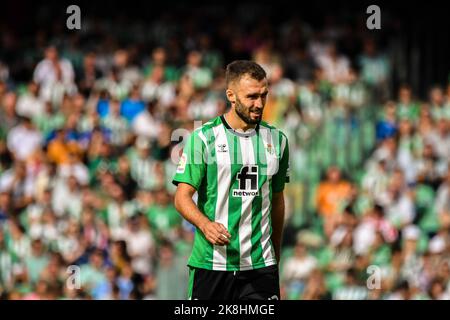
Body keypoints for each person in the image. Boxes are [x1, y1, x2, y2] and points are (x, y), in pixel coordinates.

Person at [173, 60, 290, 300]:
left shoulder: (278, 141)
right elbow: (181, 198)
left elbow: (277, 201)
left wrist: (274, 255)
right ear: (231, 96)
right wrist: (205, 225)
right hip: (212, 264)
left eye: (264, 95)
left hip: (260, 267)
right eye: (251, 97)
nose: (259, 104)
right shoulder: (203, 139)